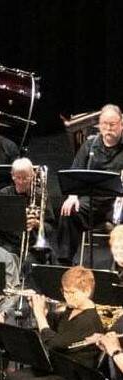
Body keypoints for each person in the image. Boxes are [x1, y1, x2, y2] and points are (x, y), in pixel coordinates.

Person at [57, 104, 123, 264]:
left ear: (121, 124)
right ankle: (64, 262)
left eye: (113, 124)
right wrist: (72, 197)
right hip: (91, 200)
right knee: (68, 211)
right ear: (99, 125)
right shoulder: (90, 145)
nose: (108, 128)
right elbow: (75, 173)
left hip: (117, 202)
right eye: (105, 124)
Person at [0, 158, 56, 260]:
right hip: (7, 242)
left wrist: (37, 223)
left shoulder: (40, 195)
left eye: (25, 178)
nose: (21, 182)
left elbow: (50, 228)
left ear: (33, 176)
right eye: (18, 177)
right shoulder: (3, 195)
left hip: (32, 244)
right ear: (12, 176)